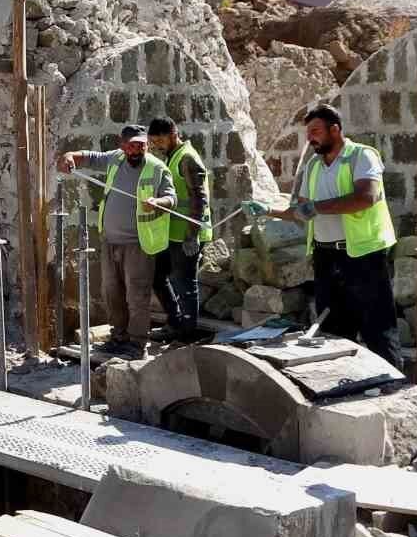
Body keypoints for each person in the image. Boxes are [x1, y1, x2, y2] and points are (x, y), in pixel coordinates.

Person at [244, 104, 402, 368]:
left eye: (315, 131)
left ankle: (392, 380)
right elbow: (302, 211)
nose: (310, 138)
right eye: (308, 133)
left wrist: (317, 207)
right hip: (326, 256)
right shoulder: (313, 166)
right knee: (333, 327)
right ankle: (342, 379)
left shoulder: (362, 156)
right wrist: (268, 210)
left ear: (335, 129)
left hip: (362, 254)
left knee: (376, 325)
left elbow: (366, 197)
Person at [58, 125, 176, 356]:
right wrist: (69, 156)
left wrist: (158, 203)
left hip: (138, 244)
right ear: (121, 145)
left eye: (140, 145)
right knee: (112, 293)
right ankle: (118, 337)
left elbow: (171, 198)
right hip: (111, 241)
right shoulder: (115, 159)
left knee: (137, 296)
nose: (136, 150)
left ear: (147, 145)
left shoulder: (157, 168)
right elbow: (88, 157)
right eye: (131, 145)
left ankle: (137, 344)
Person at [147, 117, 211, 339]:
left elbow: (199, 199)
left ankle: (187, 335)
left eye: (160, 140)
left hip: (187, 234)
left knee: (185, 283)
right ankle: (175, 322)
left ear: (174, 135)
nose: (157, 146)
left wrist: (192, 236)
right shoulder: (172, 157)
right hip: (172, 234)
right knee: (157, 276)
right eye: (154, 141)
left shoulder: (187, 158)